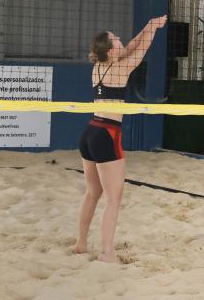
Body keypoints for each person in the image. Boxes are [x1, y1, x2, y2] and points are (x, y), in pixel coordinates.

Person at [73, 15, 167, 262]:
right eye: (115, 39)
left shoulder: (99, 66)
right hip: (107, 134)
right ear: (111, 50)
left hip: (90, 132)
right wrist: (153, 29)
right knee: (114, 199)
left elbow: (132, 46)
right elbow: (142, 48)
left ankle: (81, 243)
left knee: (92, 193)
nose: (119, 39)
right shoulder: (120, 68)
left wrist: (149, 25)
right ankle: (107, 253)